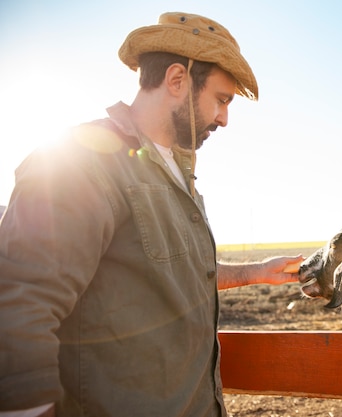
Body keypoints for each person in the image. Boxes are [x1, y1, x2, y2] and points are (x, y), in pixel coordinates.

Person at [0, 12, 302, 417]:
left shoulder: (181, 175)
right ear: (177, 80)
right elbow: (19, 307)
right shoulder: (79, 162)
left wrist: (254, 272)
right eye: (222, 99)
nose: (225, 118)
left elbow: (178, 270)